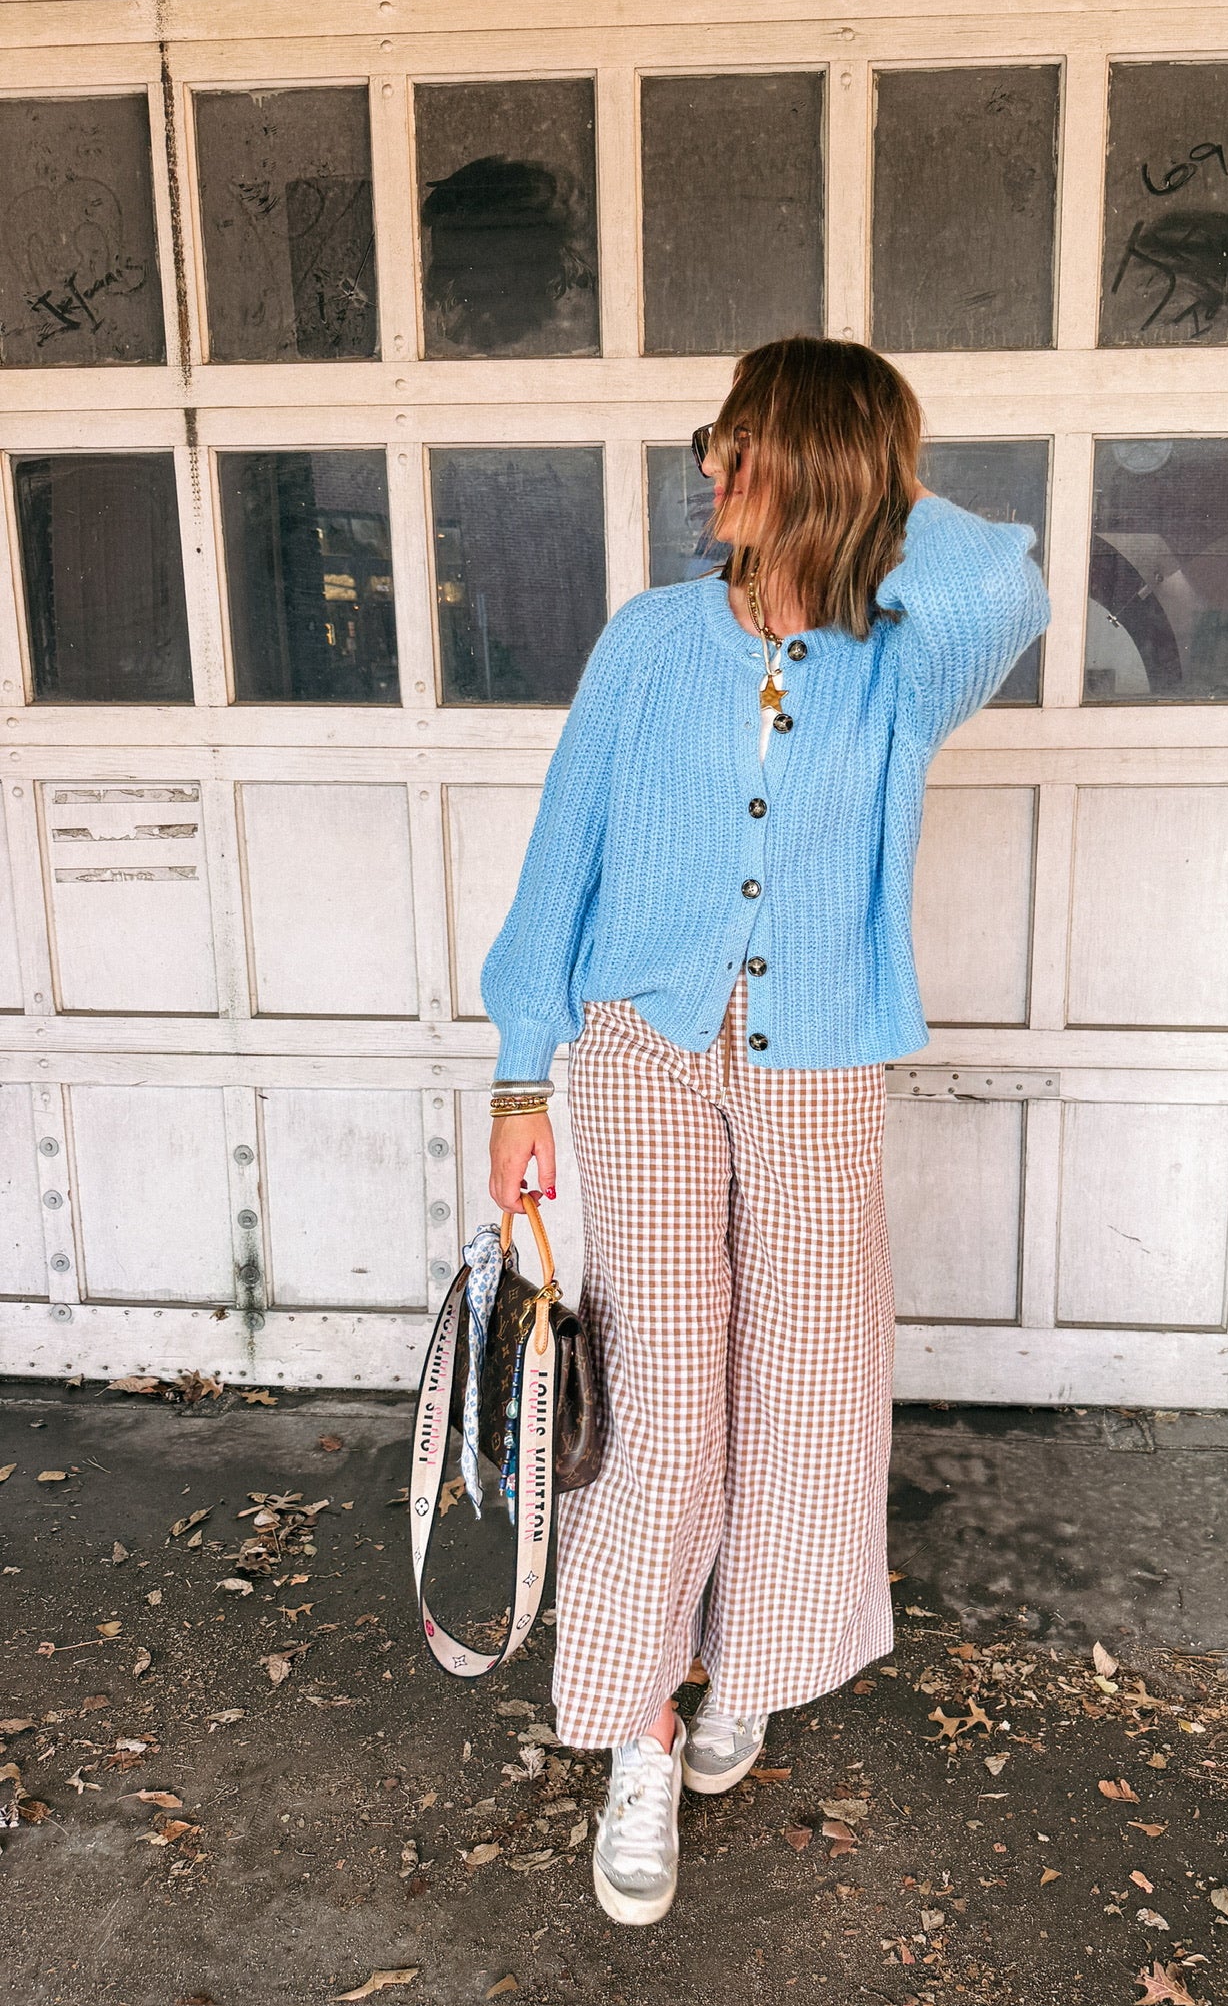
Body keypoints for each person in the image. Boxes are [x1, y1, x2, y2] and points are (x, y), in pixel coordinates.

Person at [480, 335, 1049, 1925]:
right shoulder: (651, 644)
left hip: (819, 1059)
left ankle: (752, 1664)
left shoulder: (899, 664)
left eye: (746, 450)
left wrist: (864, 499)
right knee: (661, 1394)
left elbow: (1005, 578)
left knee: (809, 1380)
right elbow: (564, 854)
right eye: (718, 445)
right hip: (642, 1050)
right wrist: (520, 1080)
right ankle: (639, 1723)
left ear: (815, 471)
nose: (713, 471)